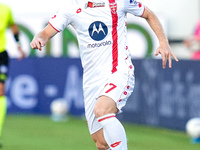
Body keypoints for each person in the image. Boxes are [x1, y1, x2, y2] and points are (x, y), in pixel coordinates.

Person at [30, 0, 178, 149]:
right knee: (101, 143)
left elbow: (149, 14)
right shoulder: (71, 7)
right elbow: (46, 32)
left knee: (102, 110)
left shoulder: (120, 2)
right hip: (91, 79)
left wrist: (163, 42)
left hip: (119, 71)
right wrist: (39, 39)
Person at [0, 3, 25, 147]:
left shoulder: (5, 9)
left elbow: (13, 27)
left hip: (1, 54)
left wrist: (19, 45)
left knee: (1, 90)